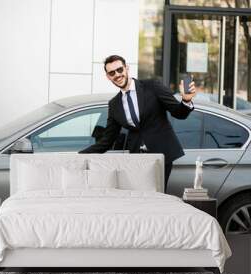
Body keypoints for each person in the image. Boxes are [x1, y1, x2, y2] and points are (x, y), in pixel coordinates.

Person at [79, 55, 196, 188]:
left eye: (119, 70)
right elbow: (107, 140)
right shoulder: (114, 104)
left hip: (161, 157)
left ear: (126, 68)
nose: (117, 75)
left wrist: (186, 100)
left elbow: (178, 113)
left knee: (157, 198)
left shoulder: (152, 86)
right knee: (141, 200)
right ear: (108, 77)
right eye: (112, 73)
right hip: (137, 160)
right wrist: (79, 156)